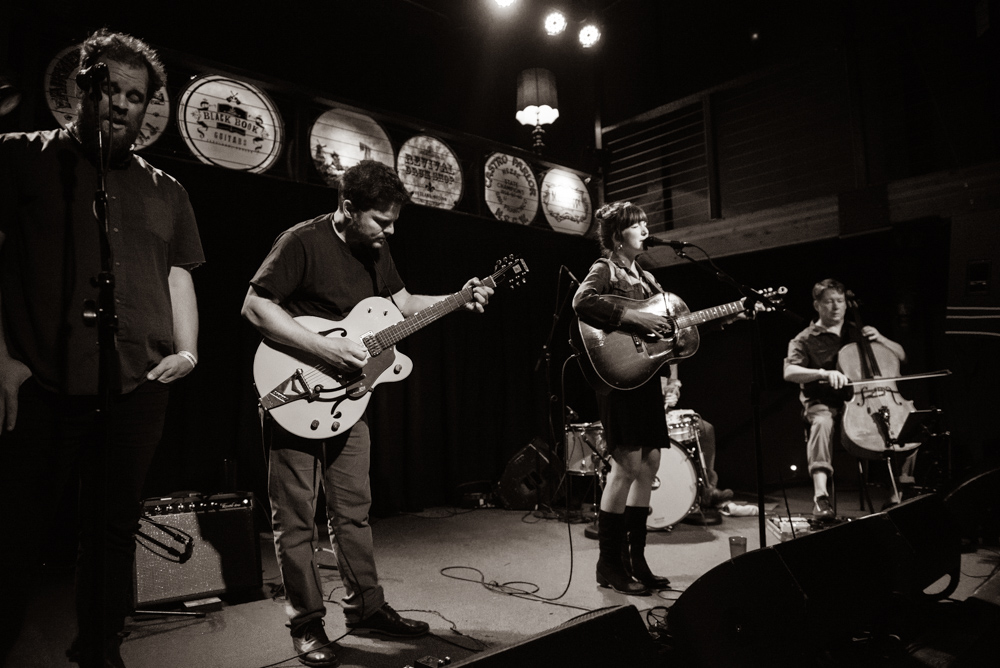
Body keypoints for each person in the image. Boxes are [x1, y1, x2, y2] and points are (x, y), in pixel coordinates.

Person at [0, 29, 203, 668]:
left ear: (150, 107)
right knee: (14, 535)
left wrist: (189, 351)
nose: (121, 103)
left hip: (135, 387)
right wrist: (0, 359)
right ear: (82, 88)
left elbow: (179, 272)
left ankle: (100, 649)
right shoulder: (20, 158)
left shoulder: (167, 189)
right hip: (39, 383)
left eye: (136, 94)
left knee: (113, 533)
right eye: (109, 87)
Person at [242, 160, 493, 667]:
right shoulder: (302, 241)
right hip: (298, 390)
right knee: (294, 522)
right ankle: (307, 623)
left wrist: (458, 298)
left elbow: (402, 305)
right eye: (381, 220)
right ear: (348, 207)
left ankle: (366, 608)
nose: (390, 230)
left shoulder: (376, 248)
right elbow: (255, 306)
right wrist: (323, 349)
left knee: (354, 511)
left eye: (394, 221)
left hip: (350, 400)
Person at [572, 201, 674, 596]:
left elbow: (665, 326)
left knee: (649, 463)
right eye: (637, 225)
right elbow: (583, 302)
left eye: (646, 223)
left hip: (646, 378)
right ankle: (609, 564)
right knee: (626, 465)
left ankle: (637, 559)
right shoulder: (605, 268)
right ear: (617, 236)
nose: (646, 229)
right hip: (618, 378)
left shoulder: (648, 278)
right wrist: (633, 319)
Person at [783, 278, 906, 521]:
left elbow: (900, 356)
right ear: (817, 305)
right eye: (829, 301)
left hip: (864, 400)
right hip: (823, 401)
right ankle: (821, 497)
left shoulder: (857, 331)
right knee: (822, 423)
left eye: (840, 301)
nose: (836, 306)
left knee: (905, 423)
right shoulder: (804, 339)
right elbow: (790, 372)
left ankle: (897, 492)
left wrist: (880, 338)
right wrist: (823, 373)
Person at [661, 365, 734, 524]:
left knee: (705, 429)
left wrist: (673, 393)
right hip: (643, 410)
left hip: (664, 412)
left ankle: (707, 490)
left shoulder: (671, 354)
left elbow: (673, 384)